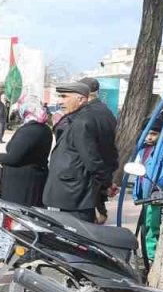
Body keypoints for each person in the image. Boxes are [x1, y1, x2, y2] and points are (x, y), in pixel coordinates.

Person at [43, 81, 109, 223]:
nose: (60, 101)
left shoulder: (82, 122)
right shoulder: (72, 118)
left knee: (73, 240)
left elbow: (92, 160)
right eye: (59, 97)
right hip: (66, 195)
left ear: (81, 99)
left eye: (64, 96)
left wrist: (107, 184)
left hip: (74, 197)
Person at [133, 120, 163, 264]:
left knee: (151, 226)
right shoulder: (143, 150)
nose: (149, 137)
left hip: (155, 193)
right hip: (146, 194)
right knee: (146, 225)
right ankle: (147, 253)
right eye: (146, 133)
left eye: (153, 134)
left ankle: (151, 255)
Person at [79, 77, 119, 224]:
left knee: (87, 220)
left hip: (91, 171)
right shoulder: (106, 112)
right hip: (104, 167)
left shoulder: (86, 114)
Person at [0, 103, 52, 207]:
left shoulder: (29, 131)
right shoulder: (45, 129)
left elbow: (13, 158)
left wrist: (0, 157)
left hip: (21, 186)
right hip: (35, 181)